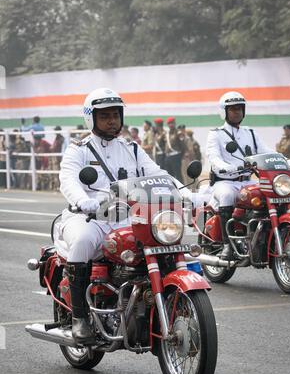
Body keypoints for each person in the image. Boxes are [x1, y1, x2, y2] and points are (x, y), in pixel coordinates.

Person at [58, 88, 202, 344]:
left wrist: (185, 192)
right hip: (90, 217)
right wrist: (84, 201)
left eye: (115, 115)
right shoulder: (78, 150)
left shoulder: (133, 149)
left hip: (127, 216)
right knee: (81, 242)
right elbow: (68, 180)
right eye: (105, 116)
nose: (112, 120)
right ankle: (79, 318)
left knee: (166, 242)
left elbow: (158, 174)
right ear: (91, 118)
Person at [206, 91, 276, 259]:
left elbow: (266, 151)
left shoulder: (250, 133)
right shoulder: (216, 134)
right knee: (227, 195)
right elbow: (213, 157)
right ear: (224, 111)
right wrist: (225, 167)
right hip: (225, 182)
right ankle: (227, 245)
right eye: (232, 109)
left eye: (239, 108)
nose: (237, 112)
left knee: (269, 193)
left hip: (246, 182)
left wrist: (285, 161)